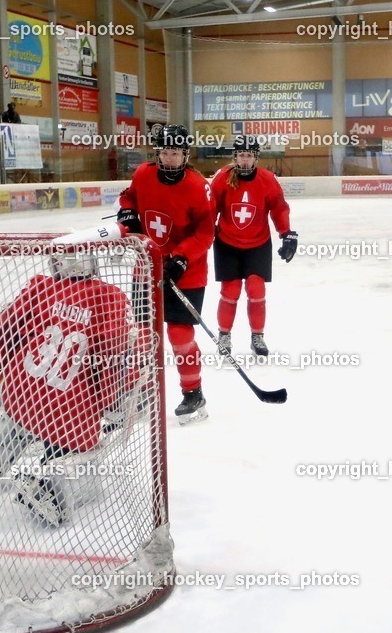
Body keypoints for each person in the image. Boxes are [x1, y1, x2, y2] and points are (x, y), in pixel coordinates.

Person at [0, 250, 131, 527]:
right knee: (78, 452)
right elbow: (111, 356)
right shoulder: (111, 298)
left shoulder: (40, 286)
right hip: (70, 406)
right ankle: (54, 485)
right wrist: (110, 401)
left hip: (22, 391)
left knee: (15, 424)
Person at [117, 124, 215, 424]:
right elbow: (129, 197)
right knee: (143, 336)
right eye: (164, 152)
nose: (169, 158)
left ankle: (193, 392)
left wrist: (181, 259)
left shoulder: (199, 187)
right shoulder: (143, 174)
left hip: (186, 272)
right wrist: (127, 212)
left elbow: (206, 232)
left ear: (185, 154)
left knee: (179, 334)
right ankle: (142, 391)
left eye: (175, 153)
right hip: (146, 268)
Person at [209, 135, 296, 357]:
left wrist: (286, 233)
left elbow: (278, 208)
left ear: (256, 158)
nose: (244, 160)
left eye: (248, 156)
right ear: (234, 157)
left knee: (257, 290)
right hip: (227, 243)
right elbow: (210, 209)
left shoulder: (268, 179)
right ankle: (224, 335)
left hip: (258, 243)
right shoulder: (222, 177)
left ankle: (257, 336)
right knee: (230, 290)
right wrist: (204, 234)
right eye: (240, 155)